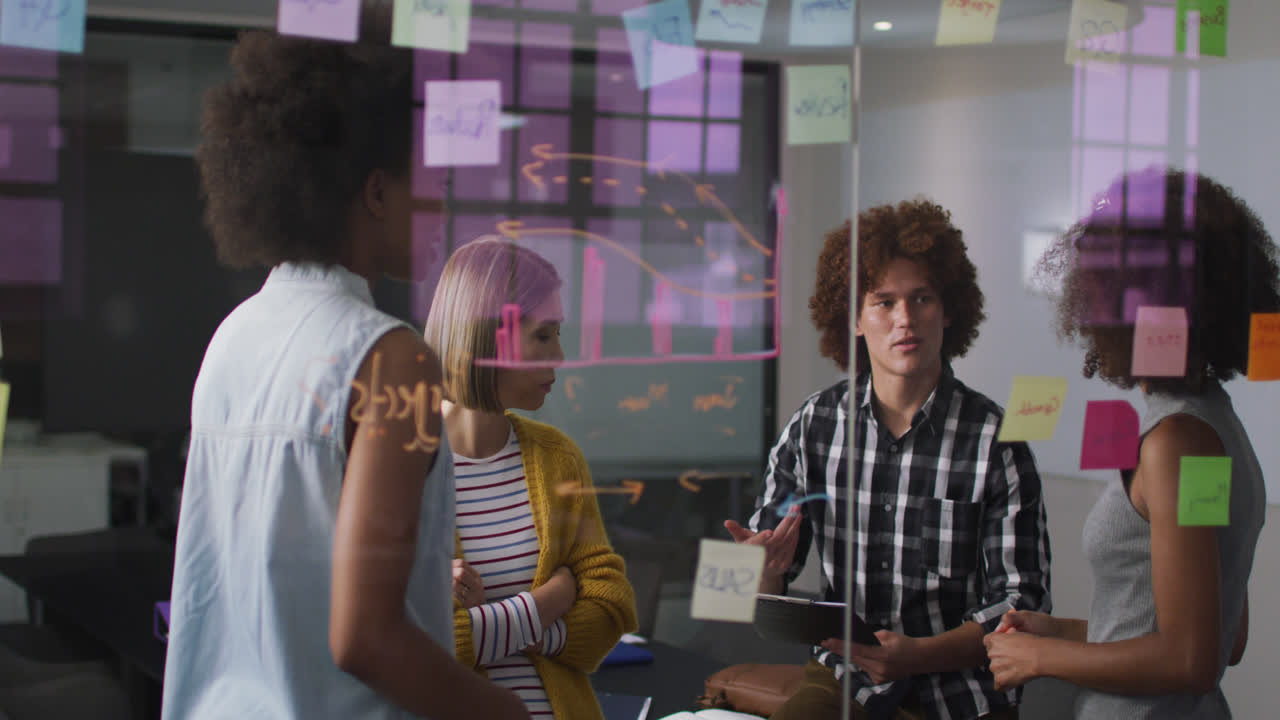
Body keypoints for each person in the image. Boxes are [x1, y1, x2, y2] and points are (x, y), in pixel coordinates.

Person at [161, 6, 528, 719]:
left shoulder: (233, 339)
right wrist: (507, 714)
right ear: (378, 190)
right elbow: (366, 638)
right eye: (430, 172)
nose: (443, 196)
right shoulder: (395, 361)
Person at [725, 202, 1051, 720]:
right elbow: (758, 588)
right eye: (883, 302)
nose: (905, 319)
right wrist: (762, 575)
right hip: (843, 679)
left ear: (948, 310)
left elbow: (1022, 604)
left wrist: (918, 656)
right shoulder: (815, 425)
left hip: (963, 694)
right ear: (854, 317)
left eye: (921, 298)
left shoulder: (996, 441)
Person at [984, 168, 1279, 718]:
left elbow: (1192, 659)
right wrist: (1060, 632)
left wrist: (1040, 657)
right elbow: (1218, 638)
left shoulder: (1177, 445)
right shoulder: (1207, 428)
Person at [423, 236, 638, 720]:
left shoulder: (556, 457)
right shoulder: (402, 465)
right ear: (485, 336)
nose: (559, 356)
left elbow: (611, 606)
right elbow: (419, 648)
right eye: (544, 335)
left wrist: (499, 624)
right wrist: (549, 600)